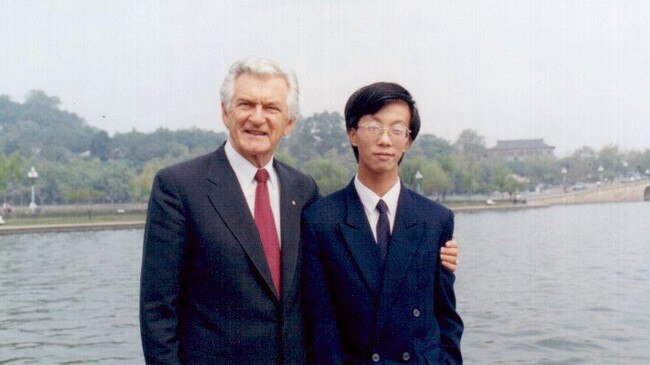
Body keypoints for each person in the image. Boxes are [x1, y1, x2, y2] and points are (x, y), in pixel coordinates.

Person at [140, 57, 460, 364]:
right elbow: (157, 311)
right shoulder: (180, 187)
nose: (257, 117)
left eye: (272, 108)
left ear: (289, 122)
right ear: (225, 112)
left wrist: (429, 254)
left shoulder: (302, 190)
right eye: (246, 104)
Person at [302, 82, 463, 364]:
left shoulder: (435, 219)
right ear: (353, 134)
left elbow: (445, 317)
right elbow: (321, 325)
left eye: (397, 129)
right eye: (374, 127)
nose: (385, 140)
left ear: (408, 141)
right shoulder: (321, 220)